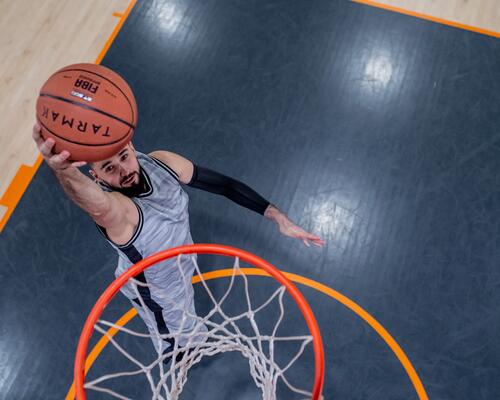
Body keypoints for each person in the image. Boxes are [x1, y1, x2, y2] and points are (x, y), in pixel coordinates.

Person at [32, 123, 324, 360]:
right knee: (181, 345)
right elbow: (97, 206)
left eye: (124, 156)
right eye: (109, 169)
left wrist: (278, 217)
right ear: (95, 176)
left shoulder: (161, 162)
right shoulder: (119, 211)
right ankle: (176, 359)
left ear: (131, 145)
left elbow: (224, 185)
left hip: (181, 263)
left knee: (191, 321)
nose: (124, 169)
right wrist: (64, 171)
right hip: (159, 292)